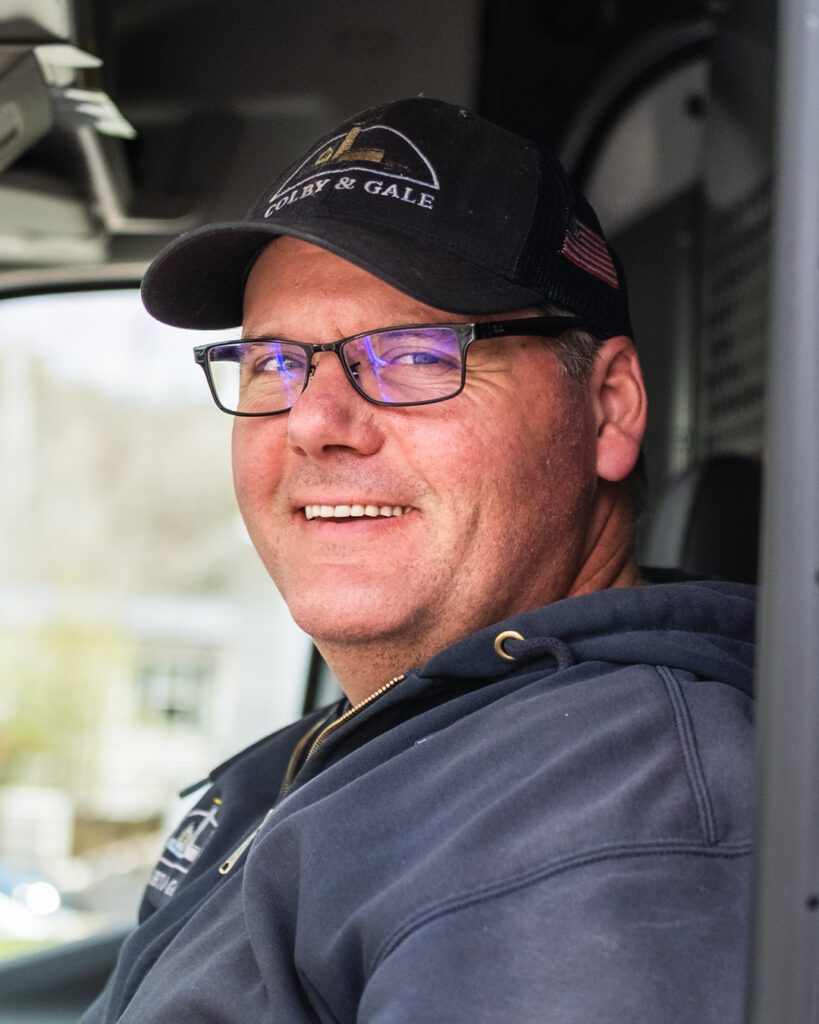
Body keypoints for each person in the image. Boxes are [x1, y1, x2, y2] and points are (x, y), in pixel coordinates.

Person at [82, 97, 754, 1023]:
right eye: (274, 365)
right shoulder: (408, 739)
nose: (314, 422)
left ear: (609, 407)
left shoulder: (605, 818)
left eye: (412, 354)